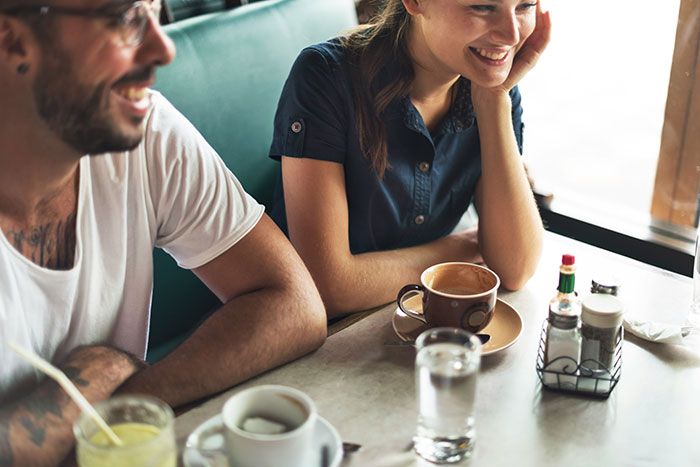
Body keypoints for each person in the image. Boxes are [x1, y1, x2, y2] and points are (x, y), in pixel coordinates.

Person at [0, 0, 327, 464]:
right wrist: (97, 372)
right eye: (127, 18)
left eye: (154, 9)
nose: (163, 47)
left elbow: (294, 303)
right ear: (13, 39)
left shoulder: (144, 127)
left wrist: (127, 399)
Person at [269, 0, 551, 318]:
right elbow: (327, 287)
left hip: (409, 316)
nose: (512, 35)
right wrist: (468, 247)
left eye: (525, 5)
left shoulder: (492, 86)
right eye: (483, 7)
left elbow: (515, 268)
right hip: (320, 333)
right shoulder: (326, 76)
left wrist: (495, 99)